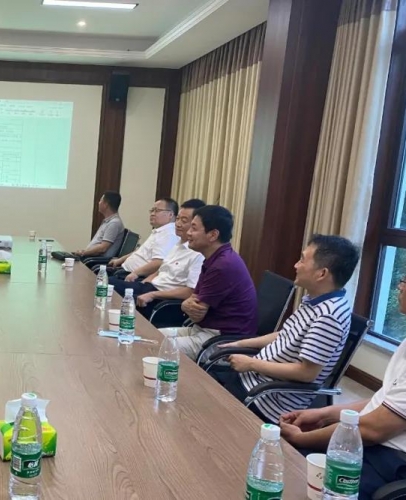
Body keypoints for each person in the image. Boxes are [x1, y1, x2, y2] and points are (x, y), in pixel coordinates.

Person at [278, 272, 406, 497]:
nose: (400, 286)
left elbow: (374, 429)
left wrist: (302, 439)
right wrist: (324, 414)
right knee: (280, 461)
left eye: (405, 280)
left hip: (388, 463)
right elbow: (383, 401)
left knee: (293, 476)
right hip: (369, 448)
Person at [210, 235, 360, 423]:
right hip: (252, 380)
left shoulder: (329, 316)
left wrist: (251, 363)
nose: (296, 265)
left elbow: (307, 373)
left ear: (321, 274)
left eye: (302, 260)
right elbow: (286, 334)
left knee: (199, 408)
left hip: (267, 400)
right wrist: (240, 343)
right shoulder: (315, 300)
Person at [158, 205, 257, 360]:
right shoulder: (214, 259)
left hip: (221, 341)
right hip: (202, 331)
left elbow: (196, 314)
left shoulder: (223, 266)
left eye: (194, 228)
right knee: (151, 336)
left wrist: (186, 305)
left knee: (157, 346)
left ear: (213, 235)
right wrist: (187, 304)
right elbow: (194, 300)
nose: (188, 233)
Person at [110, 199, 206, 318]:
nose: (178, 224)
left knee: (113, 294)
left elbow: (190, 291)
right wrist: (144, 283)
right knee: (107, 285)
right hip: (150, 287)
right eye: (178, 219)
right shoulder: (178, 244)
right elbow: (161, 270)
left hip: (162, 300)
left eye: (184, 221)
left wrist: (153, 294)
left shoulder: (198, 254)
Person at [107, 198, 180, 280]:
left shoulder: (168, 234)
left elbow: (158, 263)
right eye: (152, 210)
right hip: (124, 270)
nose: (152, 214)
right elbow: (140, 252)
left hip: (133, 277)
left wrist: (135, 273)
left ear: (170, 215)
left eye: (157, 211)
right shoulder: (159, 231)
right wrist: (120, 260)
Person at [72, 191, 125, 258]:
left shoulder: (114, 223)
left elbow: (102, 248)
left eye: (100, 200)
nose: (99, 203)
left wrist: (83, 253)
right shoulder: (108, 221)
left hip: (96, 261)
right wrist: (84, 252)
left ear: (106, 204)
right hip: (90, 257)